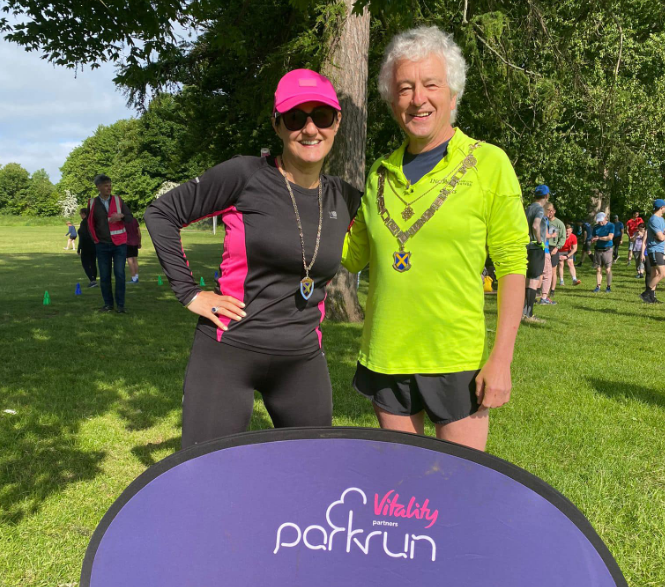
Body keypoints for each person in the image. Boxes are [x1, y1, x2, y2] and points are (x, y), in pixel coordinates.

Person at [144, 69, 361, 448]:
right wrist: (189, 292)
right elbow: (161, 213)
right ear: (277, 125)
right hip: (229, 351)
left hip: (302, 358)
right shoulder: (246, 175)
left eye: (321, 116)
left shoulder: (346, 198)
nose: (310, 129)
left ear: (337, 122)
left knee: (312, 474)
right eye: (296, 117)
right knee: (207, 475)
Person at [341, 26, 529, 452]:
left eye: (430, 84)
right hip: (386, 354)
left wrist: (501, 361)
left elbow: (513, 264)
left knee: (457, 488)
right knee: (405, 492)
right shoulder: (379, 174)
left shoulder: (488, 163)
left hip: (455, 359)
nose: (417, 98)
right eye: (405, 87)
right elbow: (350, 256)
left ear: (453, 94)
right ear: (392, 100)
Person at [88, 174, 133, 313]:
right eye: (106, 185)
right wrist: (95, 240)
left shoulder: (118, 200)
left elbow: (130, 218)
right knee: (105, 276)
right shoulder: (92, 203)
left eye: (110, 185)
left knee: (119, 274)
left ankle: (120, 306)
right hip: (101, 245)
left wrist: (122, 216)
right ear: (98, 187)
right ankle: (108, 304)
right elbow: (90, 223)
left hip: (119, 244)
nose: (109, 187)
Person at [522, 185, 549, 322]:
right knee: (533, 281)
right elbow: (535, 225)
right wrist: (539, 241)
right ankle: (529, 314)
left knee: (527, 280)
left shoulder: (528, 208)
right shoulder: (539, 209)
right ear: (546, 196)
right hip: (535, 248)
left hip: (525, 247)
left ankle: (522, 313)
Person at [640, 199, 665, 304]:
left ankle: (651, 298)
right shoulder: (653, 219)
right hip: (655, 249)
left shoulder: (661, 219)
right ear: (661, 208)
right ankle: (646, 293)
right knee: (662, 273)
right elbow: (661, 237)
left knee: (655, 274)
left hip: (660, 249)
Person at [591, 212, 615, 293]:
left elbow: (610, 237)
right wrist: (593, 239)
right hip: (598, 249)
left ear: (605, 218)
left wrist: (599, 238)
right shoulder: (596, 227)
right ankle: (598, 286)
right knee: (598, 269)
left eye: (601, 220)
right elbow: (594, 236)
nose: (600, 222)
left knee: (608, 269)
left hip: (607, 249)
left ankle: (608, 286)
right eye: (598, 221)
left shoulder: (611, 225)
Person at [538, 202, 557, 305]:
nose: (551, 212)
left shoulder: (535, 215)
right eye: (550, 210)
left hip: (535, 249)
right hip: (544, 249)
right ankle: (544, 297)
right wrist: (552, 235)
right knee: (548, 273)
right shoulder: (544, 219)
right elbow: (544, 235)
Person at [77, 208, 98, 287]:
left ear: (83, 213)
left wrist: (79, 248)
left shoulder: (84, 223)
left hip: (86, 246)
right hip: (94, 245)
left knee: (85, 264)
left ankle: (92, 280)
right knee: (93, 263)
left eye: (80, 214)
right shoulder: (92, 222)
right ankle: (94, 279)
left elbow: (82, 236)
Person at [547, 203, 565, 292]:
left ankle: (552, 290)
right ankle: (541, 290)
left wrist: (557, 248)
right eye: (548, 210)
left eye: (551, 211)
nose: (549, 213)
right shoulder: (543, 221)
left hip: (553, 248)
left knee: (553, 270)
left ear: (554, 212)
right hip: (544, 247)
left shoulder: (559, 223)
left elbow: (563, 237)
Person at [125, 217, 141, 283]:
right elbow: (139, 232)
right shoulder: (134, 219)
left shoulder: (124, 221)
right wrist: (139, 242)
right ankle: (136, 277)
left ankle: (133, 278)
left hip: (127, 242)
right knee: (135, 260)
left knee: (130, 260)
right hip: (135, 241)